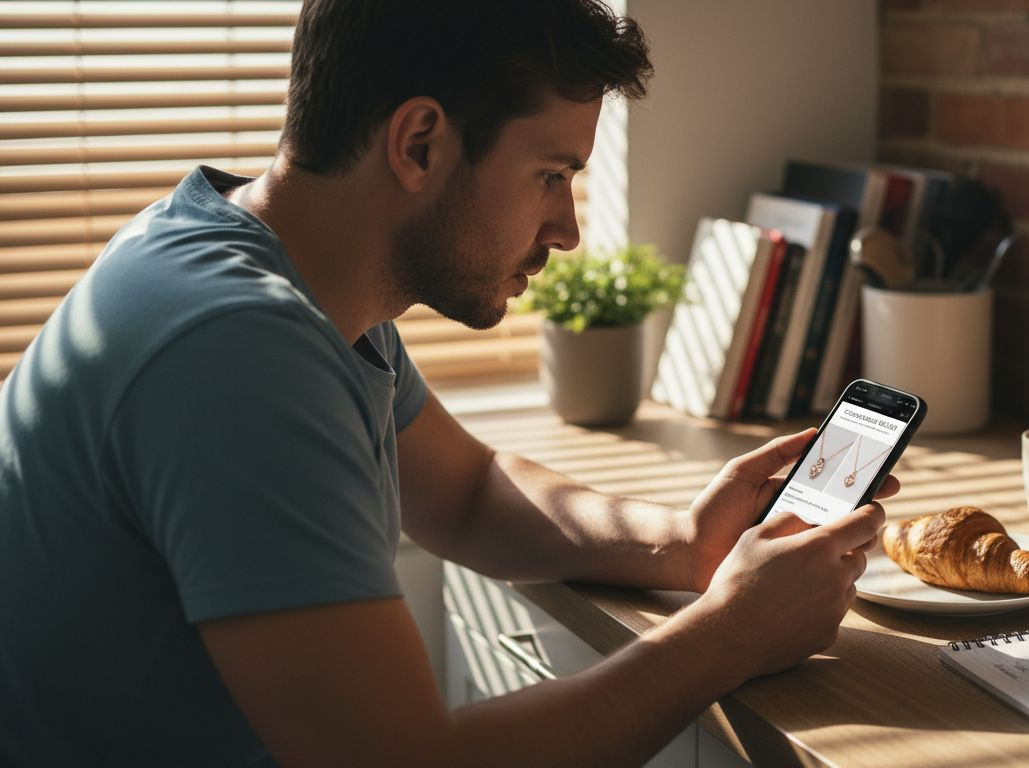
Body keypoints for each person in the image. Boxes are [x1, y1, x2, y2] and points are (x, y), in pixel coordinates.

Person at [0, 1, 896, 765]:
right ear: (420, 142)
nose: (569, 229)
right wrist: (729, 635)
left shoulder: (274, 268)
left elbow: (467, 493)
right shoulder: (237, 347)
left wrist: (680, 543)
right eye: (551, 176)